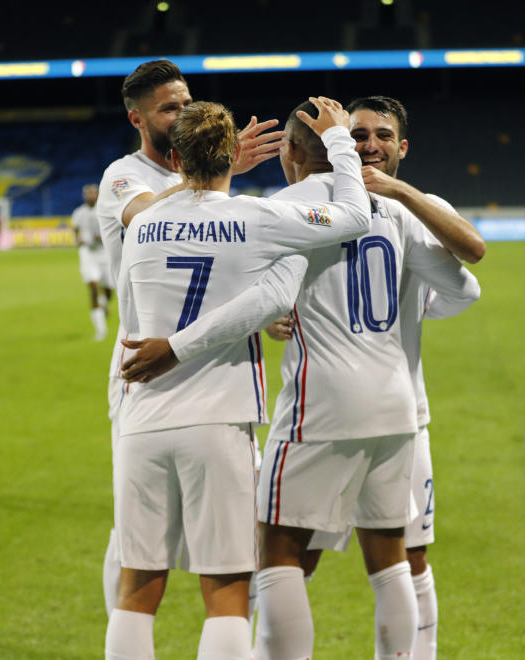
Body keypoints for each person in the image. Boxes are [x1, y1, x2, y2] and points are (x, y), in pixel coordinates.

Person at [105, 97, 371, 660]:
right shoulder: (258, 218)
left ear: (174, 159)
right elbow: (354, 216)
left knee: (137, 586)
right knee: (226, 588)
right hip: (219, 419)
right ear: (232, 156)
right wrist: (342, 142)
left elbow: (129, 314)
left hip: (141, 418)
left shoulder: (143, 225)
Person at [245, 99, 481, 660]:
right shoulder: (397, 214)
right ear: (338, 142)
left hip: (321, 405)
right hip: (397, 406)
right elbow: (466, 287)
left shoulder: (288, 206)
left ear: (290, 151)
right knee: (390, 555)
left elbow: (243, 287)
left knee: (278, 552)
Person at [94, 59, 285, 619]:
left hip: (217, 365)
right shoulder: (124, 176)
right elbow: (143, 216)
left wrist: (259, 314)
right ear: (137, 119)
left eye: (186, 102)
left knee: (224, 535)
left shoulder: (208, 183)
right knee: (138, 531)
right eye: (168, 108)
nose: (182, 114)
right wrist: (214, 171)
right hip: (143, 366)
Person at [72, 183, 111, 340]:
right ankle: (101, 331)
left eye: (93, 193)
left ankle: (104, 302)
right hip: (88, 253)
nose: (90, 196)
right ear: (84, 196)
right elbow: (75, 229)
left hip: (104, 253)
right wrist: (78, 239)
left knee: (108, 290)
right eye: (88, 193)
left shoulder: (105, 211)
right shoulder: (79, 213)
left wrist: (102, 237)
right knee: (93, 289)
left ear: (98, 194)